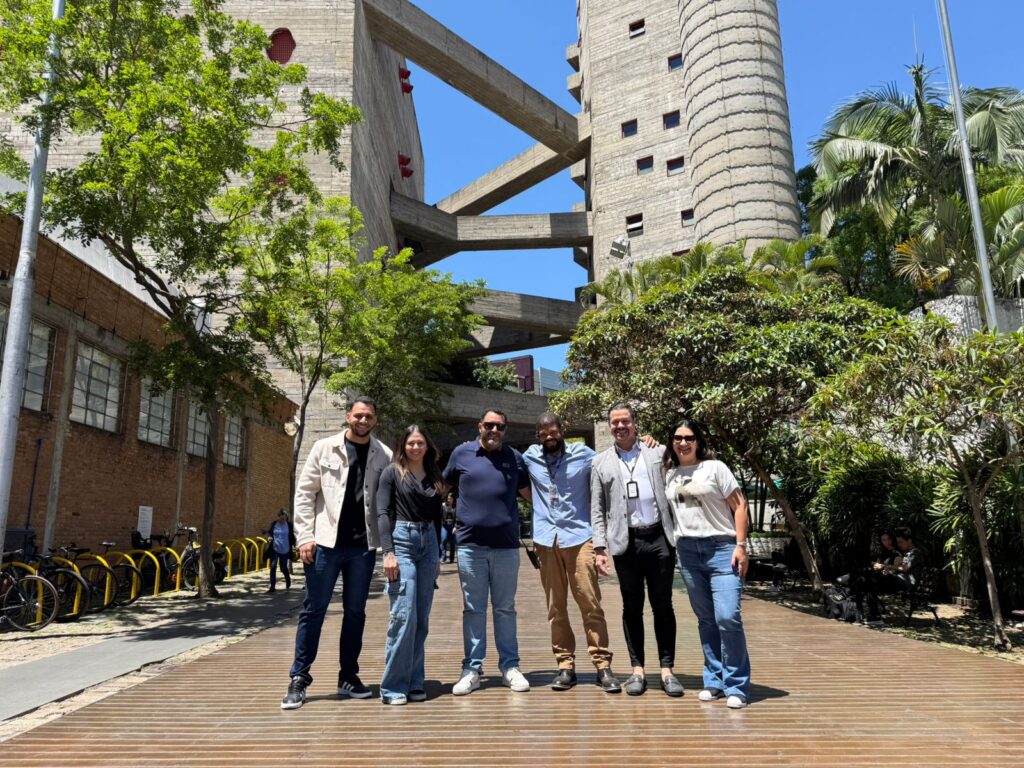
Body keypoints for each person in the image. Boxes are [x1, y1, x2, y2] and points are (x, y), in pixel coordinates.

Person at [281, 396, 393, 710]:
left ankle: (348, 676)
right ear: (348, 416)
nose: (363, 421)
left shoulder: (384, 454)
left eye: (368, 416)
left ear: (375, 420)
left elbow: (387, 501)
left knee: (355, 613)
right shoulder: (324, 448)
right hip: (324, 545)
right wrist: (304, 537)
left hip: (362, 548)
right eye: (358, 415)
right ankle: (299, 677)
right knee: (313, 610)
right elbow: (305, 494)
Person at [523, 412, 621, 693]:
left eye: (553, 431)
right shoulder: (530, 457)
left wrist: (646, 442)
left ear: (561, 430)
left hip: (580, 537)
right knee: (556, 607)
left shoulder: (584, 454)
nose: (549, 437)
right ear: (538, 435)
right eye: (543, 433)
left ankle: (602, 665)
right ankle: (565, 665)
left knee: (590, 602)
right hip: (546, 539)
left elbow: (612, 460)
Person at [591, 403, 682, 697]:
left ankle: (667, 670)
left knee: (663, 605)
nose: (620, 427)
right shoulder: (600, 462)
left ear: (635, 422)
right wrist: (599, 546)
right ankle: (637, 670)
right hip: (625, 542)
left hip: (659, 539)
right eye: (615, 422)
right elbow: (597, 508)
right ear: (610, 426)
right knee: (631, 607)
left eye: (625, 421)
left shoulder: (657, 453)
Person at [663, 419, 752, 709]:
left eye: (689, 438)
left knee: (727, 616)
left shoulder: (715, 468)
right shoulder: (669, 473)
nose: (683, 443)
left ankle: (736, 685)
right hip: (688, 551)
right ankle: (714, 680)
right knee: (706, 619)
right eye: (677, 438)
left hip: (722, 548)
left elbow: (740, 505)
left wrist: (741, 546)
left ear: (698, 441)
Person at [443, 408, 531, 695]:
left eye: (500, 427)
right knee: (474, 609)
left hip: (506, 546)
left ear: (506, 430)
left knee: (505, 608)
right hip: (470, 547)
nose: (494, 431)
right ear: (479, 426)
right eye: (489, 425)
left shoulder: (514, 458)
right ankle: (472, 669)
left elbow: (531, 495)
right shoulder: (461, 453)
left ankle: (510, 666)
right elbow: (441, 488)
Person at [377, 425, 446, 705]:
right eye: (410, 443)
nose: (415, 447)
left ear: (427, 446)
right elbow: (382, 512)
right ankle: (393, 686)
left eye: (420, 443)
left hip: (429, 544)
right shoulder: (392, 473)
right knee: (403, 616)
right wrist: (388, 553)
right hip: (402, 541)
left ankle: (415, 680)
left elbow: (438, 517)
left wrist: (438, 554)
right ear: (403, 446)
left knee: (421, 618)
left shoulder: (435, 475)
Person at [850, 527, 926, 623]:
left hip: (903, 584)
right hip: (897, 580)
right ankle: (866, 614)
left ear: (909, 541)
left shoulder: (916, 553)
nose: (899, 544)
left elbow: (904, 568)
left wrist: (884, 566)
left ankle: (848, 592)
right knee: (867, 579)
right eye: (898, 542)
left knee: (868, 575)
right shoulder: (906, 553)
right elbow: (898, 569)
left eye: (901, 542)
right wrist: (887, 570)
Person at [266, 509, 296, 593]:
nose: (282, 520)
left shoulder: (289, 525)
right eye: (281, 518)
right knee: (273, 567)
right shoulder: (274, 524)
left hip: (285, 549)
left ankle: (287, 578)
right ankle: (272, 586)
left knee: (283, 568)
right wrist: (269, 537)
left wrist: (295, 545)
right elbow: (268, 532)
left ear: (286, 518)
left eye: (284, 518)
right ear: (278, 517)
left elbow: (292, 536)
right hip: (275, 548)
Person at [441, 492, 457, 563]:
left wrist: (455, 526)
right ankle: (443, 557)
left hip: (453, 527)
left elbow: (457, 517)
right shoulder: (443, 506)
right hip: (445, 526)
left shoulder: (456, 507)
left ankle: (451, 558)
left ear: (453, 499)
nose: (449, 500)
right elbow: (440, 514)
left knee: (452, 543)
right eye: (448, 498)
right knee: (444, 540)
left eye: (450, 498)